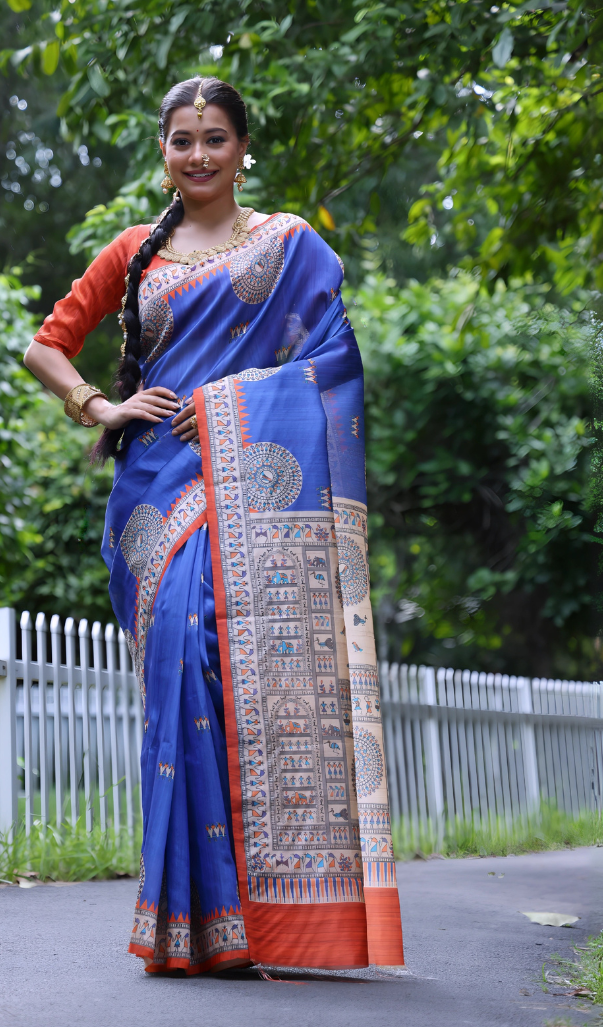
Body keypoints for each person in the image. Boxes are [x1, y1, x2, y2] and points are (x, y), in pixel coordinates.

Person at [24, 76, 404, 976]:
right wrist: (99, 405)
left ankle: (247, 923)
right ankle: (190, 925)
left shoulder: (290, 245)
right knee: (178, 675)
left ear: (243, 149)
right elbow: (44, 342)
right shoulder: (133, 252)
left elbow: (334, 363)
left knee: (229, 677)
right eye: (182, 140)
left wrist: (234, 404)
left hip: (250, 483)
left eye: (215, 139)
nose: (198, 155)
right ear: (163, 151)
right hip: (154, 494)